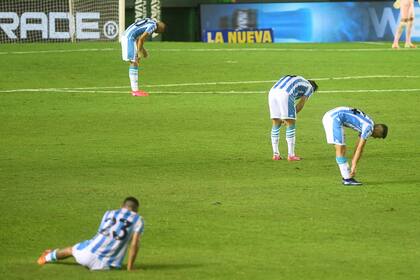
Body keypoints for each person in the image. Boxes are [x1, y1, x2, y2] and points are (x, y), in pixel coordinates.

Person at [37, 197, 144, 271]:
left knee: (71, 250)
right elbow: (134, 244)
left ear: (121, 205)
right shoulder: (138, 219)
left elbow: (101, 232)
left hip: (85, 256)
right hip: (104, 266)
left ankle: (46, 258)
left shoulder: (109, 213)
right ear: (137, 210)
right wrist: (130, 268)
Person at [322, 107, 388, 186]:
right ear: (378, 130)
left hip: (333, 115)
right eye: (378, 136)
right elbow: (360, 148)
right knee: (340, 149)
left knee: (342, 149)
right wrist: (353, 166)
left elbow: (357, 147)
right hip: (333, 118)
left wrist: (353, 162)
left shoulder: (368, 123)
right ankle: (347, 179)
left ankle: (347, 178)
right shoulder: (369, 128)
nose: (375, 138)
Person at [268, 75, 318, 161]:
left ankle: (275, 154)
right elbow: (301, 103)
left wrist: (284, 117)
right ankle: (291, 155)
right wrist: (289, 117)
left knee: (276, 123)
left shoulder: (299, 81)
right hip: (285, 93)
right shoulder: (309, 87)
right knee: (291, 124)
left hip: (272, 93)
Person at [121, 18, 166, 96]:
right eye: (159, 32)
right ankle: (135, 91)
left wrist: (143, 51)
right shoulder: (153, 26)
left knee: (134, 62)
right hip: (129, 38)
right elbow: (141, 39)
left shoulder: (150, 20)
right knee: (134, 62)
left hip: (130, 36)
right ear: (158, 30)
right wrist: (139, 53)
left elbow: (138, 36)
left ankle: (135, 90)